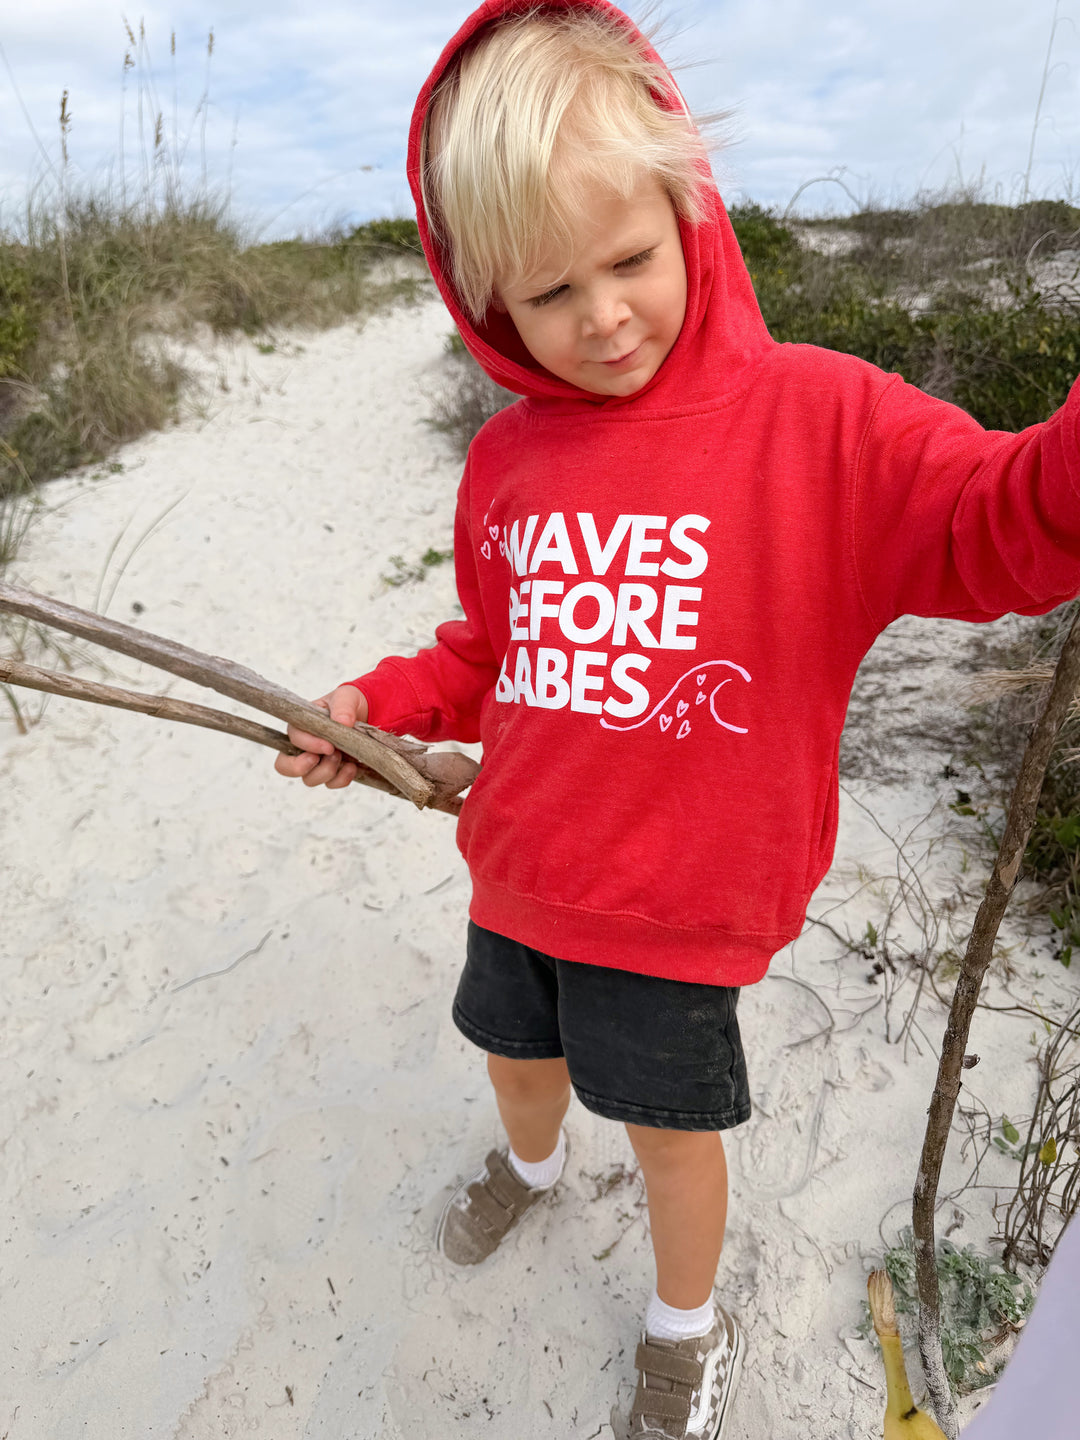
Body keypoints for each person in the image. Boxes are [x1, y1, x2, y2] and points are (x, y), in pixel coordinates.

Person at [275, 2, 1080, 1436]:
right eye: (545, 294)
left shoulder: (821, 423)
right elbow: (488, 647)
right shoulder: (512, 457)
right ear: (483, 306)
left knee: (669, 1134)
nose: (601, 317)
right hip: (515, 870)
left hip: (673, 910)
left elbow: (999, 525)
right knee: (516, 1061)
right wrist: (374, 711)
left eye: (631, 260)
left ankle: (680, 1325)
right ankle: (525, 1172)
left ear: (689, 207)